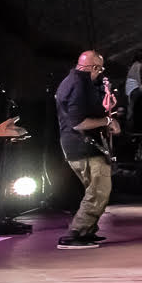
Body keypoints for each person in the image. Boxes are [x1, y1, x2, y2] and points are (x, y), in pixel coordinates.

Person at [53, 50, 118, 249]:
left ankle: (88, 231)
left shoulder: (70, 81)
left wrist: (105, 107)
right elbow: (78, 122)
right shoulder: (80, 84)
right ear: (94, 67)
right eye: (100, 69)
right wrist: (108, 120)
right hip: (84, 146)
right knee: (99, 191)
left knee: (93, 190)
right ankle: (76, 232)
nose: (100, 73)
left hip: (74, 146)